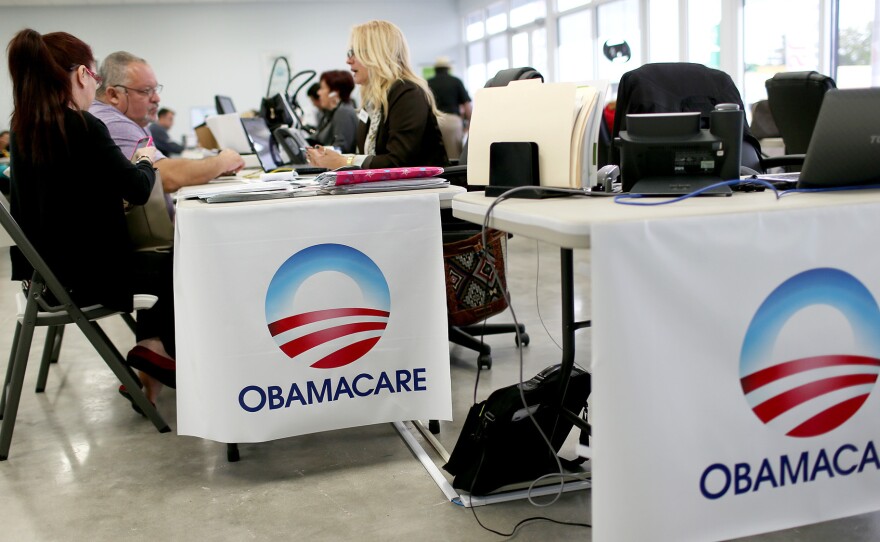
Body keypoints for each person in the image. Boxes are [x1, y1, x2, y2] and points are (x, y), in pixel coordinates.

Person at [6, 29, 175, 407]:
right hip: (89, 280)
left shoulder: (22, 129)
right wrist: (146, 160)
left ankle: (152, 356)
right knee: (176, 259)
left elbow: (65, 199)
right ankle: (156, 349)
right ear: (82, 74)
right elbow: (136, 187)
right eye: (95, 77)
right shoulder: (83, 126)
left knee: (161, 260)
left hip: (47, 280)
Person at [90, 51, 244, 193]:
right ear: (113, 94)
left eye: (155, 90)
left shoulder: (132, 120)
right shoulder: (113, 123)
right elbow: (165, 177)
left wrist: (210, 170)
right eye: (146, 90)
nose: (157, 98)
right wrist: (221, 162)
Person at [306, 20, 447, 170]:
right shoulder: (372, 100)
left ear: (377, 54)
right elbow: (368, 155)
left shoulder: (407, 92)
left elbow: (398, 162)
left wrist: (344, 162)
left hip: (422, 189)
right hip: (387, 188)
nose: (348, 60)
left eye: (355, 52)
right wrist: (335, 160)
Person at [427, 56, 471, 160]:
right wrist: (470, 123)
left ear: (435, 69)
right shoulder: (456, 81)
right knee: (454, 157)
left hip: (434, 121)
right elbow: (467, 105)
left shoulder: (428, 82)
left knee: (435, 156)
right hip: (452, 122)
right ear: (448, 68)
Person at [312, 70, 358, 153]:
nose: (318, 93)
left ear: (334, 93)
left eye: (322, 88)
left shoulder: (344, 113)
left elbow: (341, 148)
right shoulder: (332, 113)